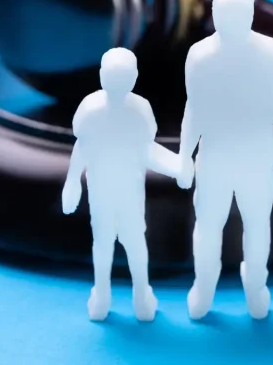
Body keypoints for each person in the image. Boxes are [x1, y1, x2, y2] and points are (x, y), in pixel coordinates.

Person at [177, 0, 273, 320]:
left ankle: (255, 285)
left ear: (252, 15)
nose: (232, 20)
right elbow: (193, 110)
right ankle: (204, 285)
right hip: (215, 158)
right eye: (224, 14)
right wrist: (183, 156)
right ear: (213, 16)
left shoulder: (271, 53)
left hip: (257, 157)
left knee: (256, 225)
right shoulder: (200, 56)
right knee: (209, 224)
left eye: (239, 13)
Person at [61, 47, 189, 322]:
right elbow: (84, 148)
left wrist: (178, 166)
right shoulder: (98, 110)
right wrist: (72, 182)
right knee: (115, 243)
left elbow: (146, 151)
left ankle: (134, 295)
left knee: (122, 243)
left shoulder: (133, 111)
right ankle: (113, 296)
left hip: (121, 191)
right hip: (108, 190)